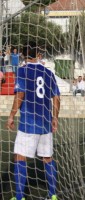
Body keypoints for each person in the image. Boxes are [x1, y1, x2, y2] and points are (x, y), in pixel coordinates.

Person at [6, 44, 60, 200]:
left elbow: (20, 94)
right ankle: (53, 195)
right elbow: (56, 97)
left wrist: (11, 116)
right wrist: (54, 118)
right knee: (47, 158)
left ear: (23, 56)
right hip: (45, 123)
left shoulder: (22, 70)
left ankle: (19, 197)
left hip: (28, 124)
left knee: (20, 157)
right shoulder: (48, 72)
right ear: (39, 54)